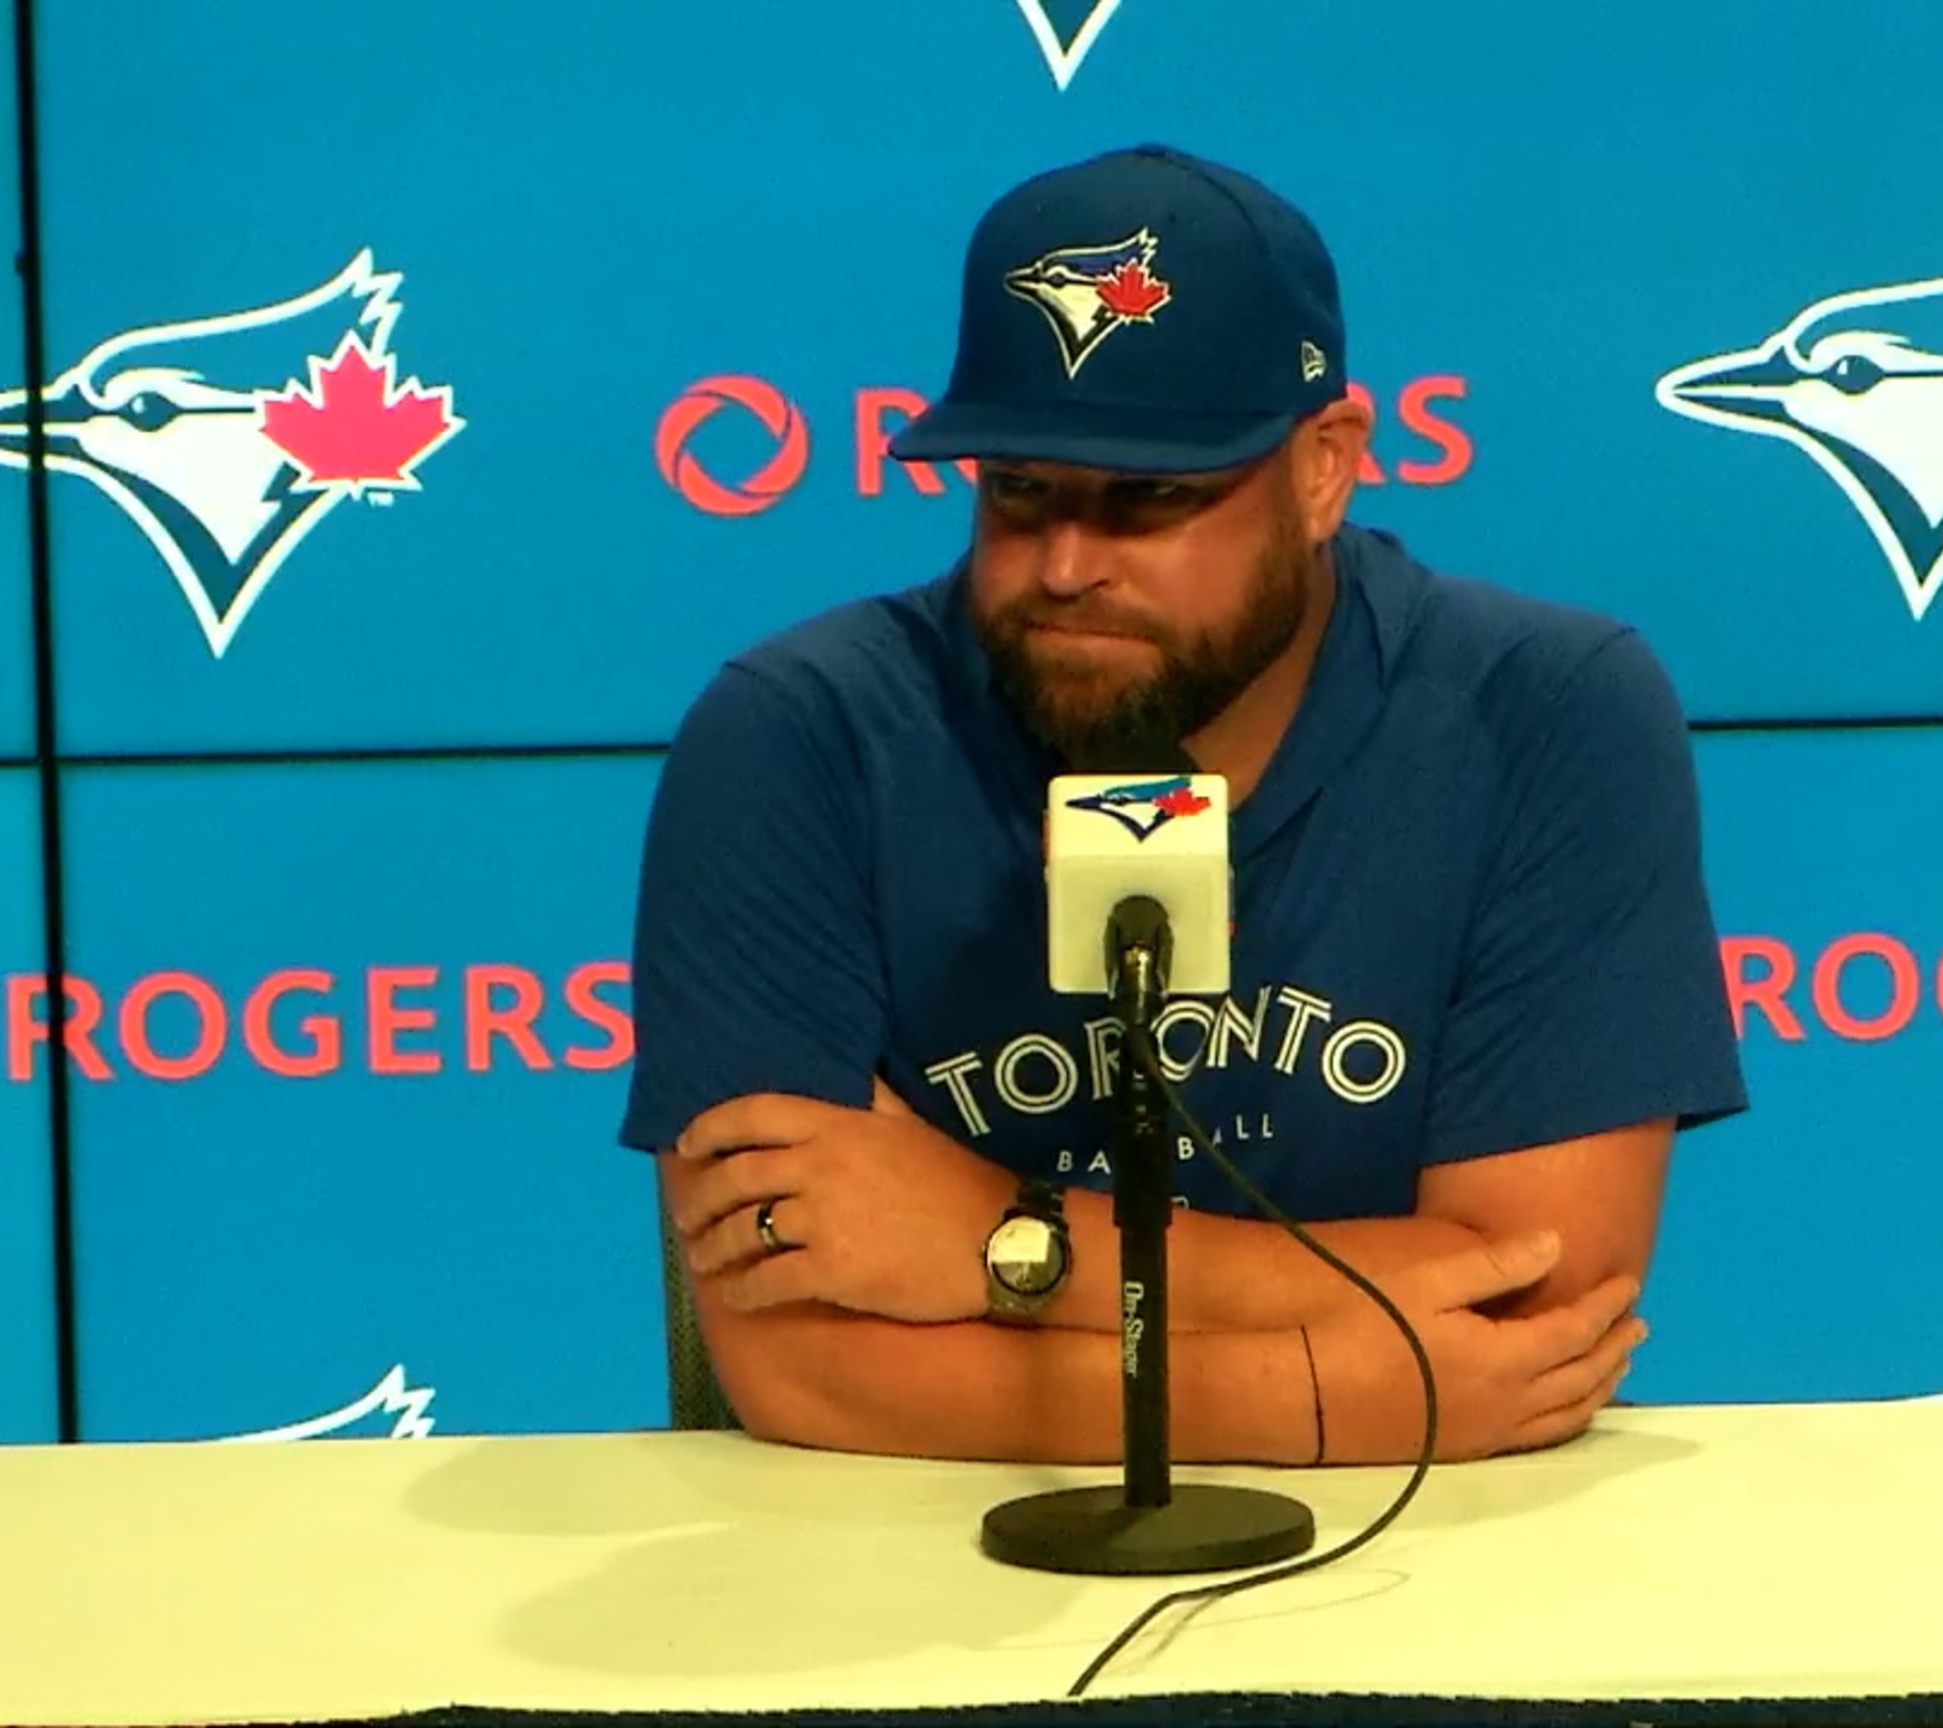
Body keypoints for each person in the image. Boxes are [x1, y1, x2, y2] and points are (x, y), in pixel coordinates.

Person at [620, 143, 1747, 1469]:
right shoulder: (794, 738)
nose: (1068, 565)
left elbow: (1531, 1309)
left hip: (1439, 1565)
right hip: (892, 1547)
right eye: (1019, 493)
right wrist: (1317, 1399)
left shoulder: (1546, 711)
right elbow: (800, 1364)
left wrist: (997, 1238)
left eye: (1152, 498)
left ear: (1324, 468)